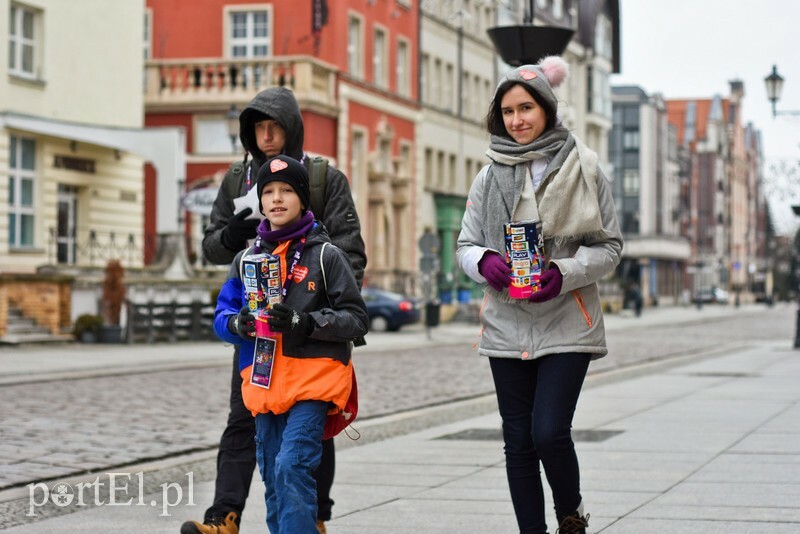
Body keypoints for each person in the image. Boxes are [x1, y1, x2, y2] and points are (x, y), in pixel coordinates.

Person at [182, 87, 366, 534]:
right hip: (256, 332)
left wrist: (319, 317)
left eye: (274, 126)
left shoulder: (322, 178)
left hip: (308, 332)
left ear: (292, 128)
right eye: (257, 128)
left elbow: (349, 254)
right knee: (243, 421)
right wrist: (234, 236)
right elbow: (210, 246)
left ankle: (313, 517)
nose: (266, 136)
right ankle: (223, 517)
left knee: (310, 427)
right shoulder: (236, 179)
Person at [456, 56, 623, 534]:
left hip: (566, 321)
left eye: (526, 108)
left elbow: (610, 247)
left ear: (547, 109)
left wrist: (563, 272)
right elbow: (466, 245)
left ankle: (569, 514)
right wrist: (485, 262)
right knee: (518, 443)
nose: (517, 120)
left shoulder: (585, 169)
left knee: (548, 431)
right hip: (506, 323)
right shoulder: (488, 176)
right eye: (508, 112)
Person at [213, 154, 368, 533]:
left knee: (292, 465)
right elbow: (220, 318)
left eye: (286, 191)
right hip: (262, 382)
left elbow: (356, 319)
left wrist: (306, 322)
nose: (277, 199)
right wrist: (238, 323)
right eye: (268, 192)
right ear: (260, 201)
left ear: (302, 198)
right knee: (272, 474)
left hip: (314, 382)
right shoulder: (246, 259)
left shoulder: (326, 255)